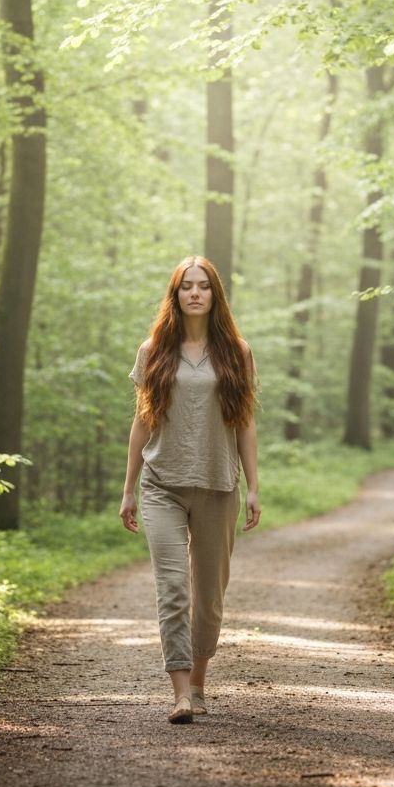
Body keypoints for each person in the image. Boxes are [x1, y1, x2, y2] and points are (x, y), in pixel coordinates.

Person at [119, 255, 261, 725]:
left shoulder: (237, 352)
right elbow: (143, 422)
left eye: (203, 286)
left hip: (219, 485)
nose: (195, 293)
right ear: (175, 295)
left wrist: (255, 487)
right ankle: (180, 692)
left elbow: (244, 423)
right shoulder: (153, 349)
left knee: (209, 594)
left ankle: (199, 683)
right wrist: (129, 489)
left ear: (214, 295)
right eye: (186, 286)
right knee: (173, 586)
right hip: (162, 484)